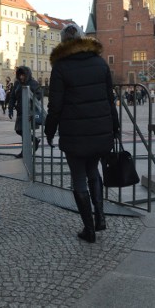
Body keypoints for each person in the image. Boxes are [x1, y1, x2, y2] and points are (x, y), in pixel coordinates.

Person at [44, 23, 119, 243]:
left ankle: (89, 229)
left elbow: (55, 106)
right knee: (93, 172)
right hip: (100, 130)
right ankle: (101, 217)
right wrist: (114, 128)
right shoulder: (100, 63)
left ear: (62, 42)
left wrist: (49, 131)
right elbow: (109, 99)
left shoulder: (60, 67)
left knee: (78, 178)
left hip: (74, 133)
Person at [7, 65, 42, 158]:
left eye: (23, 75)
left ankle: (24, 152)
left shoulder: (33, 83)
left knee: (24, 131)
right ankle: (34, 140)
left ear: (27, 75)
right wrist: (10, 109)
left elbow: (39, 95)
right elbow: (12, 97)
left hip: (29, 112)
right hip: (20, 111)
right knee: (19, 130)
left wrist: (31, 101)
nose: (21, 77)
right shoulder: (17, 83)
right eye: (20, 75)